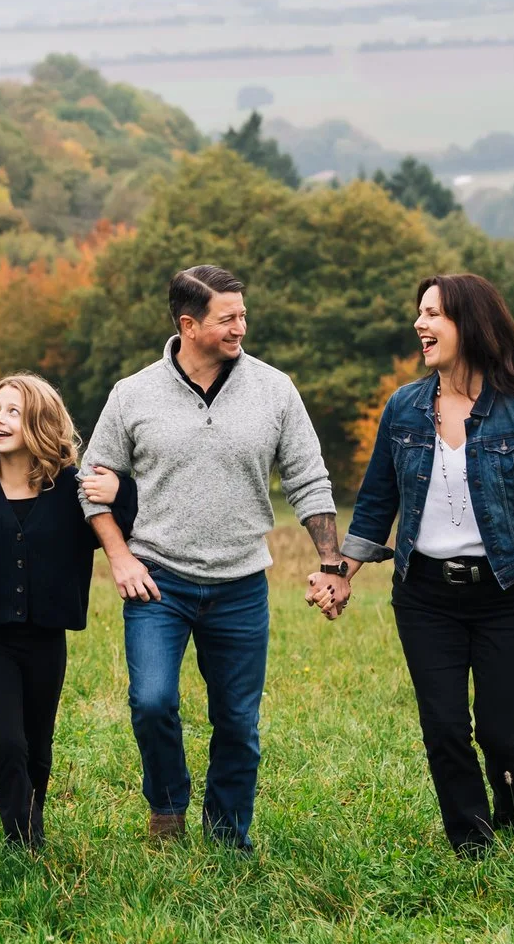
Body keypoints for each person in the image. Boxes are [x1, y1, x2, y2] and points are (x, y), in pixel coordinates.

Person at [78, 264, 340, 849]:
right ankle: (168, 806)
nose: (241, 327)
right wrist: (120, 557)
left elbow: (309, 479)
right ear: (189, 325)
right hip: (158, 581)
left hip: (241, 584)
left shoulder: (275, 390)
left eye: (243, 315)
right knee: (151, 702)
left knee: (238, 722)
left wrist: (331, 562)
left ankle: (227, 836)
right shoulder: (132, 394)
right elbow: (90, 484)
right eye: (228, 318)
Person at [331, 272, 514, 853]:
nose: (419, 323)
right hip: (425, 596)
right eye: (420, 312)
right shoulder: (404, 408)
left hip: (507, 593)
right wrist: (341, 574)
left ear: (470, 323)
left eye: (433, 313)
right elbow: (376, 503)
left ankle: (510, 810)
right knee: (443, 726)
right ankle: (472, 843)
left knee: (501, 731)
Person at [0, 374, 138, 849]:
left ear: (39, 422)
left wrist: (120, 490)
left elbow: (129, 518)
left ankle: (33, 818)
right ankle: (20, 839)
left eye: (13, 412)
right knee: (6, 742)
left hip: (46, 637)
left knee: (38, 743)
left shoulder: (71, 490)